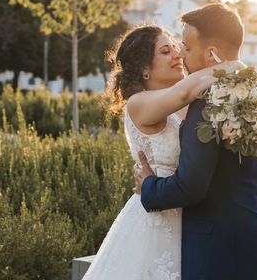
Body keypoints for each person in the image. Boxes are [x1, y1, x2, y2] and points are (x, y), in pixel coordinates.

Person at [134, 3, 257, 280]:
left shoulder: (210, 100)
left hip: (217, 253)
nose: (181, 54)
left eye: (186, 46)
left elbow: (190, 187)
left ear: (211, 53)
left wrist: (149, 185)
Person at [82, 24, 218, 280]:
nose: (178, 55)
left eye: (177, 48)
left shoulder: (184, 105)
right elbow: (187, 90)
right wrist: (235, 68)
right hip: (156, 220)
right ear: (145, 68)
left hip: (190, 215)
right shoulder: (139, 103)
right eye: (166, 51)